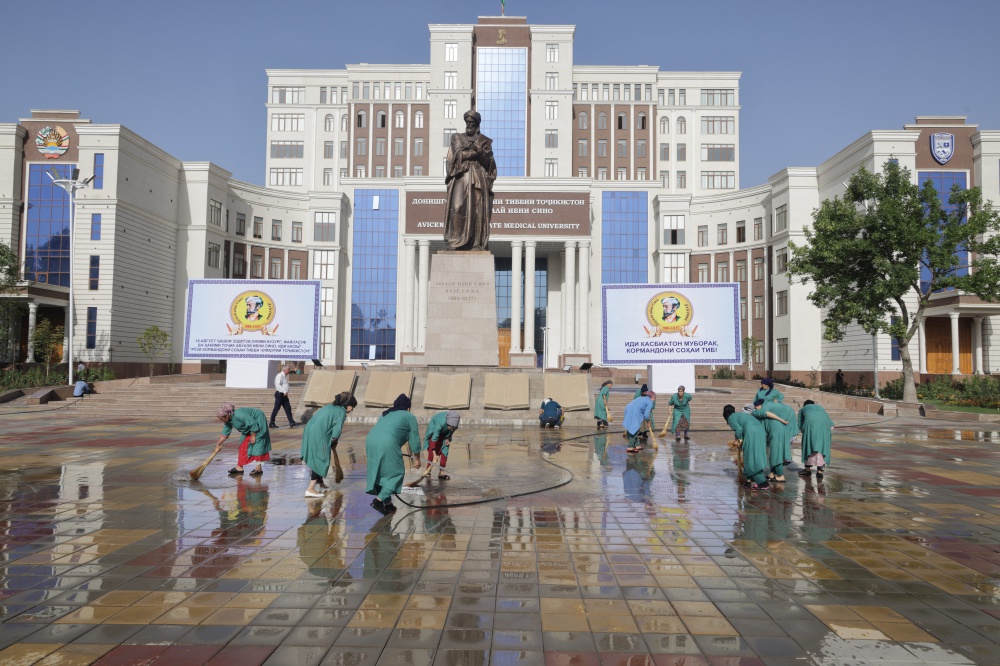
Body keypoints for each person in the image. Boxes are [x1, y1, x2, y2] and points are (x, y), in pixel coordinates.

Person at [444, 110, 497, 251]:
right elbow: (457, 156)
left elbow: (489, 165)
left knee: (477, 212)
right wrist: (477, 153)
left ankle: (475, 244)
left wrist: (482, 155)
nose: (469, 124)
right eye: (467, 122)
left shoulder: (484, 141)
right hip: (462, 176)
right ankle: (455, 241)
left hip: (478, 177)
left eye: (472, 122)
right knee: (457, 207)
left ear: (477, 124)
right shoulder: (457, 138)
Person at [365, 394, 420, 515]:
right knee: (396, 473)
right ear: (408, 408)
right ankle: (378, 501)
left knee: (381, 472)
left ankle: (388, 504)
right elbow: (414, 440)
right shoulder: (409, 416)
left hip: (370, 441)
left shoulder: (386, 414)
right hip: (387, 443)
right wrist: (417, 459)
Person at [301, 391, 357, 498]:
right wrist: (334, 441)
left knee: (318, 457)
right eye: (352, 406)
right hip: (319, 434)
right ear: (346, 404)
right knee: (321, 459)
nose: (352, 409)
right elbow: (337, 430)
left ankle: (320, 484)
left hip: (309, 431)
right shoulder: (341, 411)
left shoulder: (329, 406)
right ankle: (310, 488)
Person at [213, 403, 272, 476]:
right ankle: (239, 467)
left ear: (227, 415)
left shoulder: (239, 415)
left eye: (222, 419)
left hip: (258, 419)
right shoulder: (227, 421)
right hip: (250, 426)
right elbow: (225, 434)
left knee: (258, 443)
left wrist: (253, 436)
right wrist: (218, 444)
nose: (222, 421)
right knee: (243, 445)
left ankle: (258, 467)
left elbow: (252, 423)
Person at [723, 403, 771, 490]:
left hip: (751, 433)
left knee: (750, 457)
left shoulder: (731, 418)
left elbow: (739, 430)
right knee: (755, 455)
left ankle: (763, 483)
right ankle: (748, 482)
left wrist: (738, 440)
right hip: (760, 432)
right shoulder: (740, 415)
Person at [751, 398, 797, 482]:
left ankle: (780, 476)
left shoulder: (757, 412)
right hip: (782, 430)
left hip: (776, 431)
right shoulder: (768, 409)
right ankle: (772, 473)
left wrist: (780, 419)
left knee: (776, 453)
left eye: (756, 406)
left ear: (759, 405)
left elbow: (766, 413)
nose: (755, 408)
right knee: (776, 452)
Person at [417, 410, 461, 480]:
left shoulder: (454, 425)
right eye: (450, 427)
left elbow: (452, 431)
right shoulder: (441, 423)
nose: (452, 429)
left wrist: (448, 438)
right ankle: (428, 470)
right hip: (434, 430)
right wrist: (435, 455)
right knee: (432, 451)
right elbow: (434, 439)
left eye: (454, 428)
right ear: (447, 423)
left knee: (445, 450)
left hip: (445, 433)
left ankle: (441, 472)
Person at [798, 400, 835, 479]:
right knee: (822, 448)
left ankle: (807, 471)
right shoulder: (821, 409)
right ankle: (820, 472)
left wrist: (805, 431)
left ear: (804, 405)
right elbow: (831, 426)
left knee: (808, 447)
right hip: (824, 430)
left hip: (810, 429)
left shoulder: (803, 409)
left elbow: (800, 425)